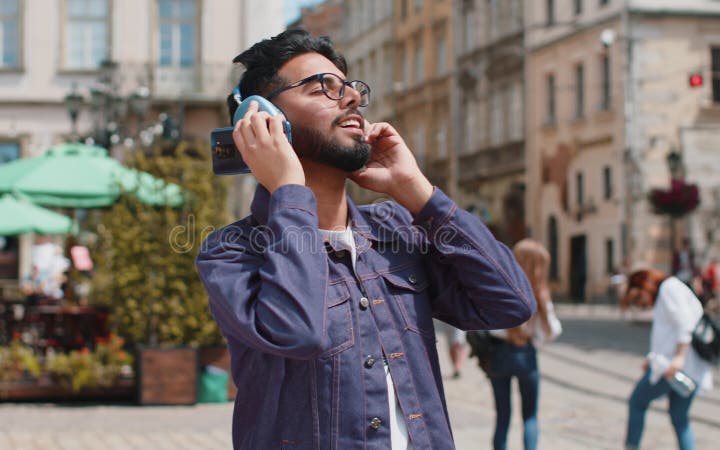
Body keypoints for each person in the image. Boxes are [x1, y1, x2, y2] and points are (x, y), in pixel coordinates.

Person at [196, 29, 536, 449]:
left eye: (352, 88)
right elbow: (298, 332)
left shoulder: (394, 228)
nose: (353, 98)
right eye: (324, 87)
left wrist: (418, 192)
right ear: (264, 118)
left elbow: (510, 302)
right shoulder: (231, 252)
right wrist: (288, 190)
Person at [621, 269, 713, 450]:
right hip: (682, 365)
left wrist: (679, 358)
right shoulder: (670, 289)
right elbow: (668, 334)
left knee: (637, 402)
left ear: (645, 284)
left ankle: (632, 446)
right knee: (679, 417)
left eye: (638, 297)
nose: (642, 303)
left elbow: (684, 324)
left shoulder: (669, 288)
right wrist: (653, 358)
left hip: (673, 367)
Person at [487, 239, 562, 450]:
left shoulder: (499, 287)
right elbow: (553, 332)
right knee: (530, 416)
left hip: (499, 352)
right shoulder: (540, 294)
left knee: (502, 416)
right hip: (526, 354)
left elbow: (487, 325)